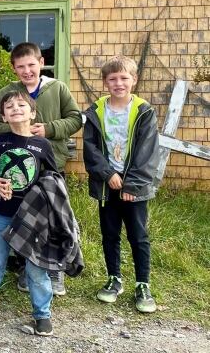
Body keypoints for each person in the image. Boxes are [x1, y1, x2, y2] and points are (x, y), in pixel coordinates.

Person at [0, 42, 82, 295]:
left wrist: (49, 129)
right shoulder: (7, 94)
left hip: (50, 168)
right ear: (13, 69)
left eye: (31, 65)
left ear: (41, 63)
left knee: (50, 220)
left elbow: (75, 118)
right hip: (18, 173)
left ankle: (55, 269)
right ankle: (24, 268)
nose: (27, 71)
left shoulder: (58, 88)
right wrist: (21, 131)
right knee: (20, 219)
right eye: (21, 67)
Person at [0, 90, 58, 336]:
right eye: (9, 106)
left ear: (33, 113)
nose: (16, 108)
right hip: (2, 212)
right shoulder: (2, 141)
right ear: (4, 116)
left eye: (21, 105)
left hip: (32, 217)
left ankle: (43, 315)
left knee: (35, 268)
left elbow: (54, 179)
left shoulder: (43, 145)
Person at [83, 56, 159, 313]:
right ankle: (114, 279)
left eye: (124, 78)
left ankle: (142, 284)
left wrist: (132, 186)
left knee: (138, 236)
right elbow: (90, 148)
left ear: (134, 80)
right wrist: (107, 174)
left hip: (133, 189)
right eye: (113, 79)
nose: (119, 83)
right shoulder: (96, 110)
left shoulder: (144, 111)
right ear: (105, 82)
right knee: (110, 234)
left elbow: (147, 152)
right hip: (107, 185)